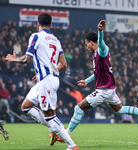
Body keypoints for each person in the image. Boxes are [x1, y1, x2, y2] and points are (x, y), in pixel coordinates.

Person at [49, 20, 138, 144]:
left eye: (87, 44)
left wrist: (100, 31)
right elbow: (97, 73)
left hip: (104, 90)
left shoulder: (102, 50)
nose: (86, 47)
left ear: (92, 43)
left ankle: (65, 135)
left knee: (78, 108)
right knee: (121, 110)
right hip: (109, 89)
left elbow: (101, 42)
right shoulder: (95, 55)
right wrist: (87, 81)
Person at [5, 13, 79, 150]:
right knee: (25, 107)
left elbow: (27, 59)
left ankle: (72, 145)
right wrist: (48, 71)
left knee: (50, 115)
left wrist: (13, 59)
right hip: (47, 79)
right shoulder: (56, 40)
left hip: (47, 81)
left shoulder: (36, 36)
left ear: (37, 24)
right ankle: (54, 130)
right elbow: (63, 64)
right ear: (51, 25)